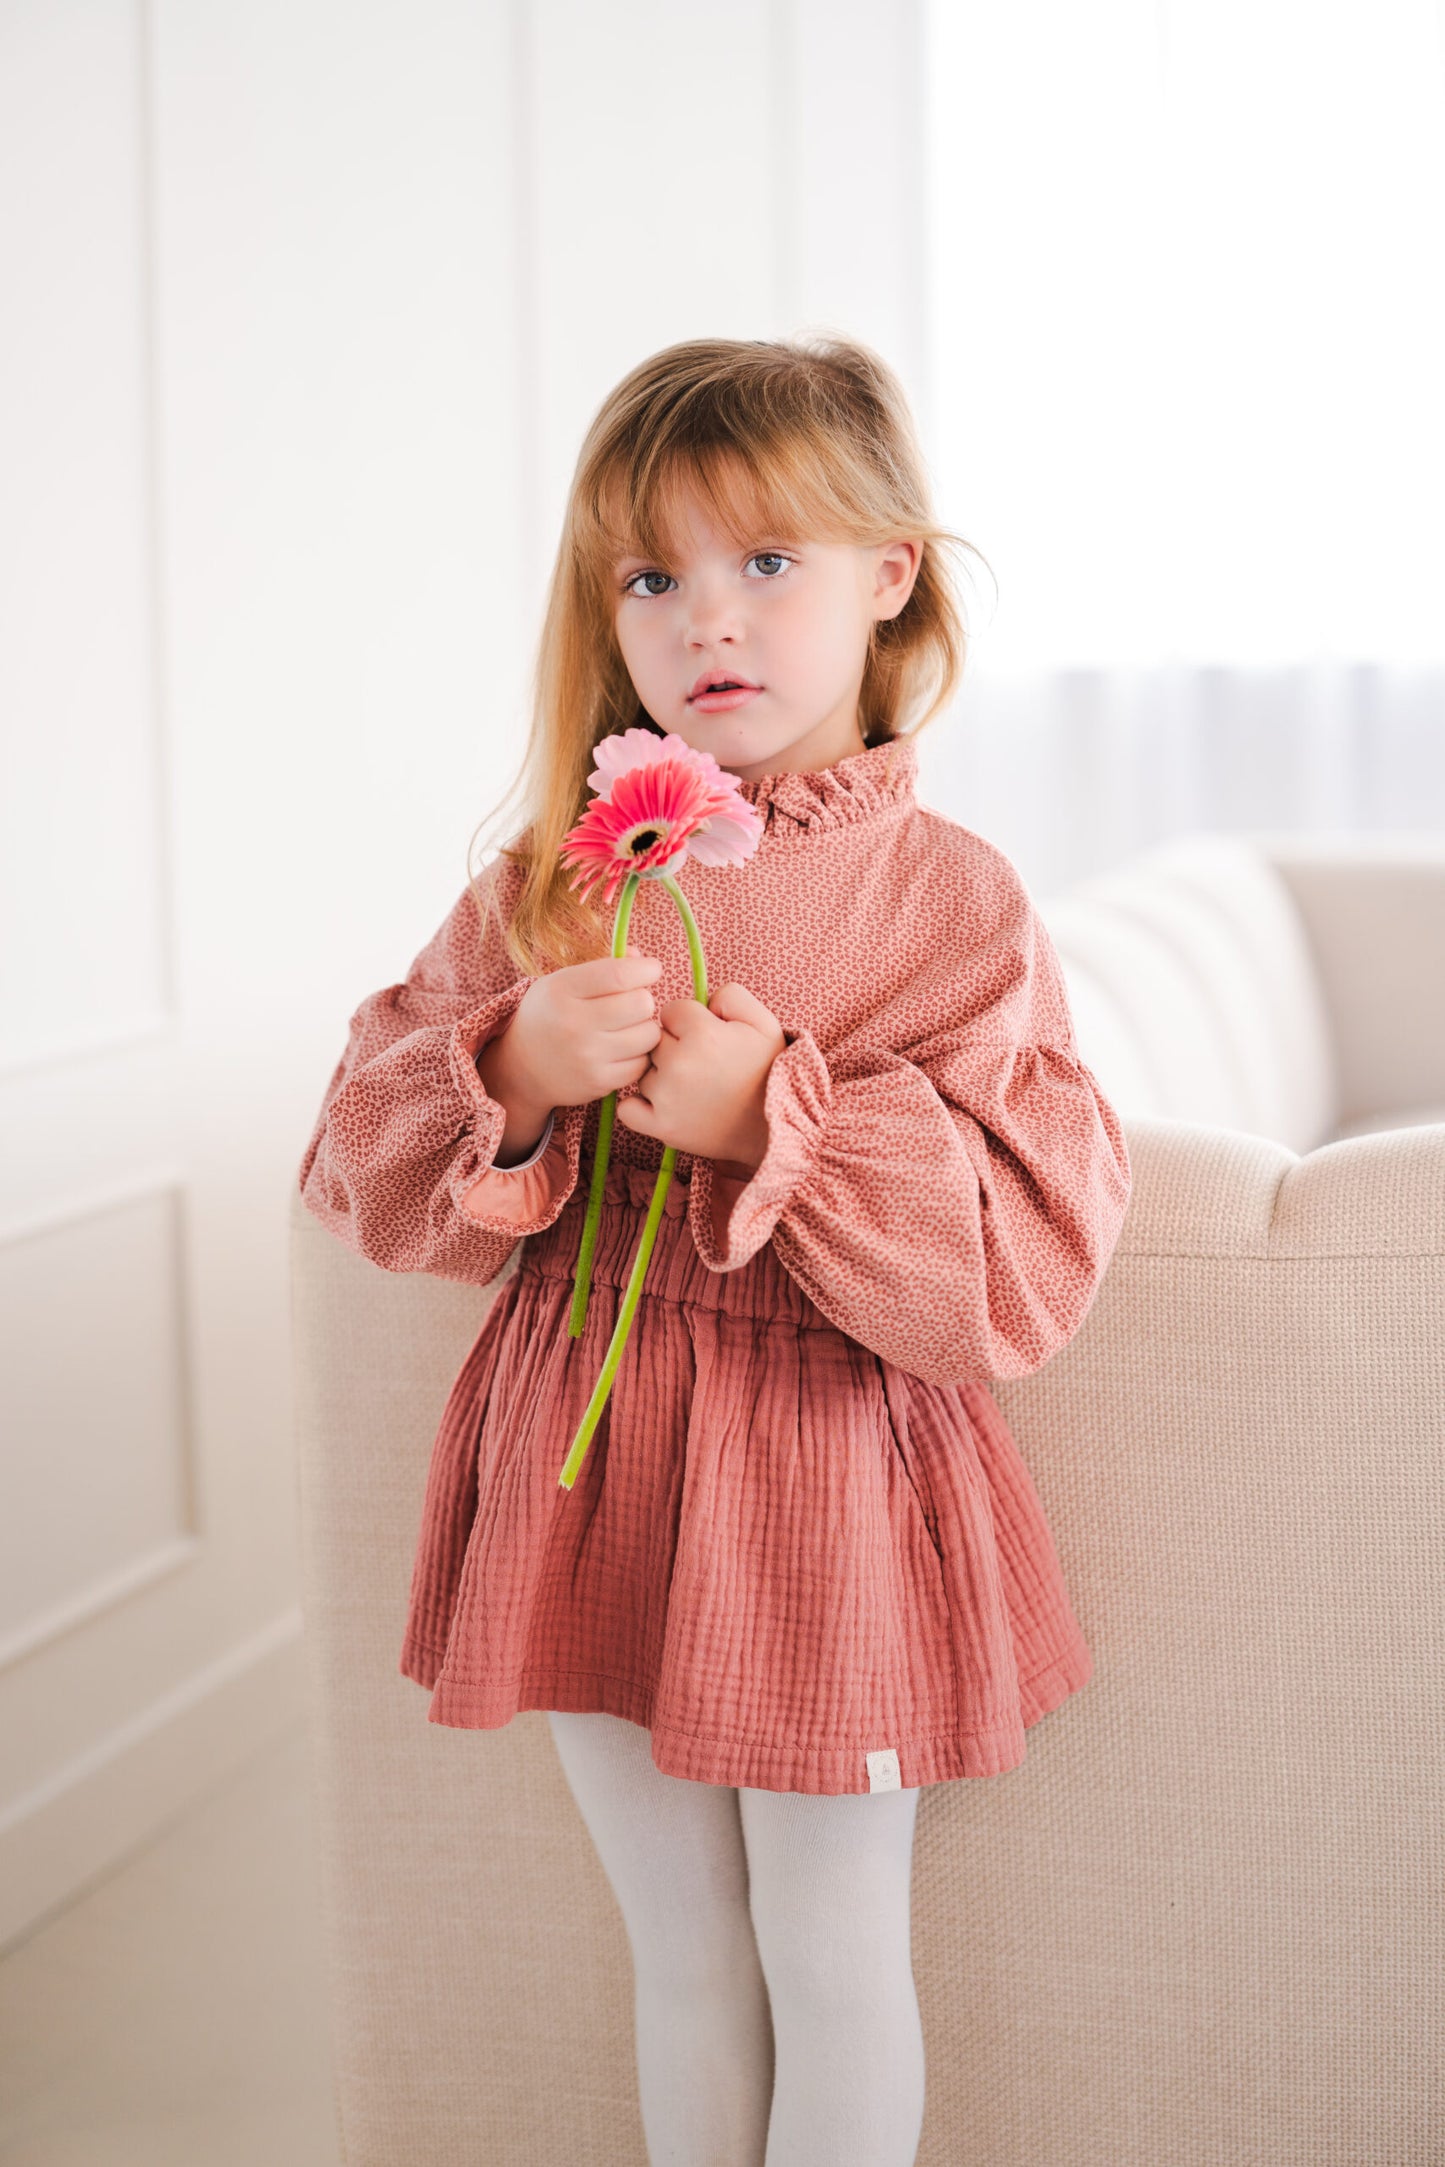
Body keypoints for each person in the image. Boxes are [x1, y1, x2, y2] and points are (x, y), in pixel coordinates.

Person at [296, 333, 1132, 2166]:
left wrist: (782, 1119)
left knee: (833, 1956)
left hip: (824, 1469)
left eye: (767, 562)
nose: (707, 622)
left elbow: (1028, 1248)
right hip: (591, 1459)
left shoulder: (952, 899)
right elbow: (354, 1156)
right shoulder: (559, 869)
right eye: (652, 576)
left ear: (887, 575)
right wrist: (509, 1068)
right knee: (677, 1956)